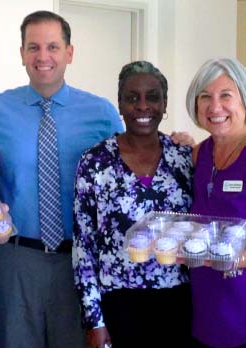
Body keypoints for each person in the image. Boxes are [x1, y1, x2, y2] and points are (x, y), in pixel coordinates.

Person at [0, 10, 123, 348]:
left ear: (69, 52)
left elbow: (130, 167)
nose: (43, 56)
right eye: (34, 47)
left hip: (80, 262)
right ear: (22, 53)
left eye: (53, 47)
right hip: (16, 260)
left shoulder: (101, 113)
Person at [73, 61, 194, 348]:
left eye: (152, 97)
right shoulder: (95, 162)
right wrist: (94, 320)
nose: (142, 106)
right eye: (132, 97)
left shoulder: (185, 158)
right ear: (120, 104)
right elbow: (83, 247)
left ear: (164, 105)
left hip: (178, 301)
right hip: (117, 304)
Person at [186, 58, 246, 348]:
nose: (215, 107)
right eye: (205, 97)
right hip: (206, 307)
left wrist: (233, 256)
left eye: (226, 95)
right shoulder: (200, 155)